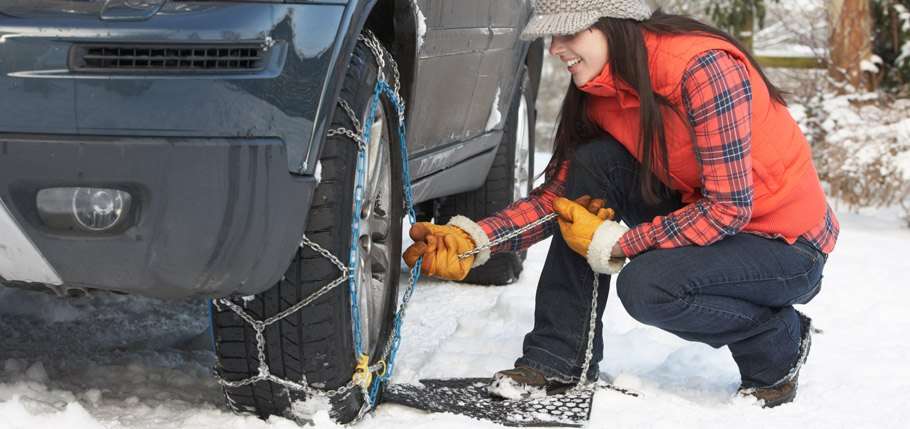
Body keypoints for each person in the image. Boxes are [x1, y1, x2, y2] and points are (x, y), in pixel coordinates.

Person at [402, 0, 838, 408]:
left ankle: (776, 342)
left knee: (649, 287)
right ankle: (560, 359)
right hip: (710, 225)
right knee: (594, 164)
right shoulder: (601, 92)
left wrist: (620, 243)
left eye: (568, 33)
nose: (555, 49)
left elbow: (729, 208)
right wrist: (475, 239)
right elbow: (562, 199)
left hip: (784, 247)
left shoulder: (702, 69)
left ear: (613, 22)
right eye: (551, 37)